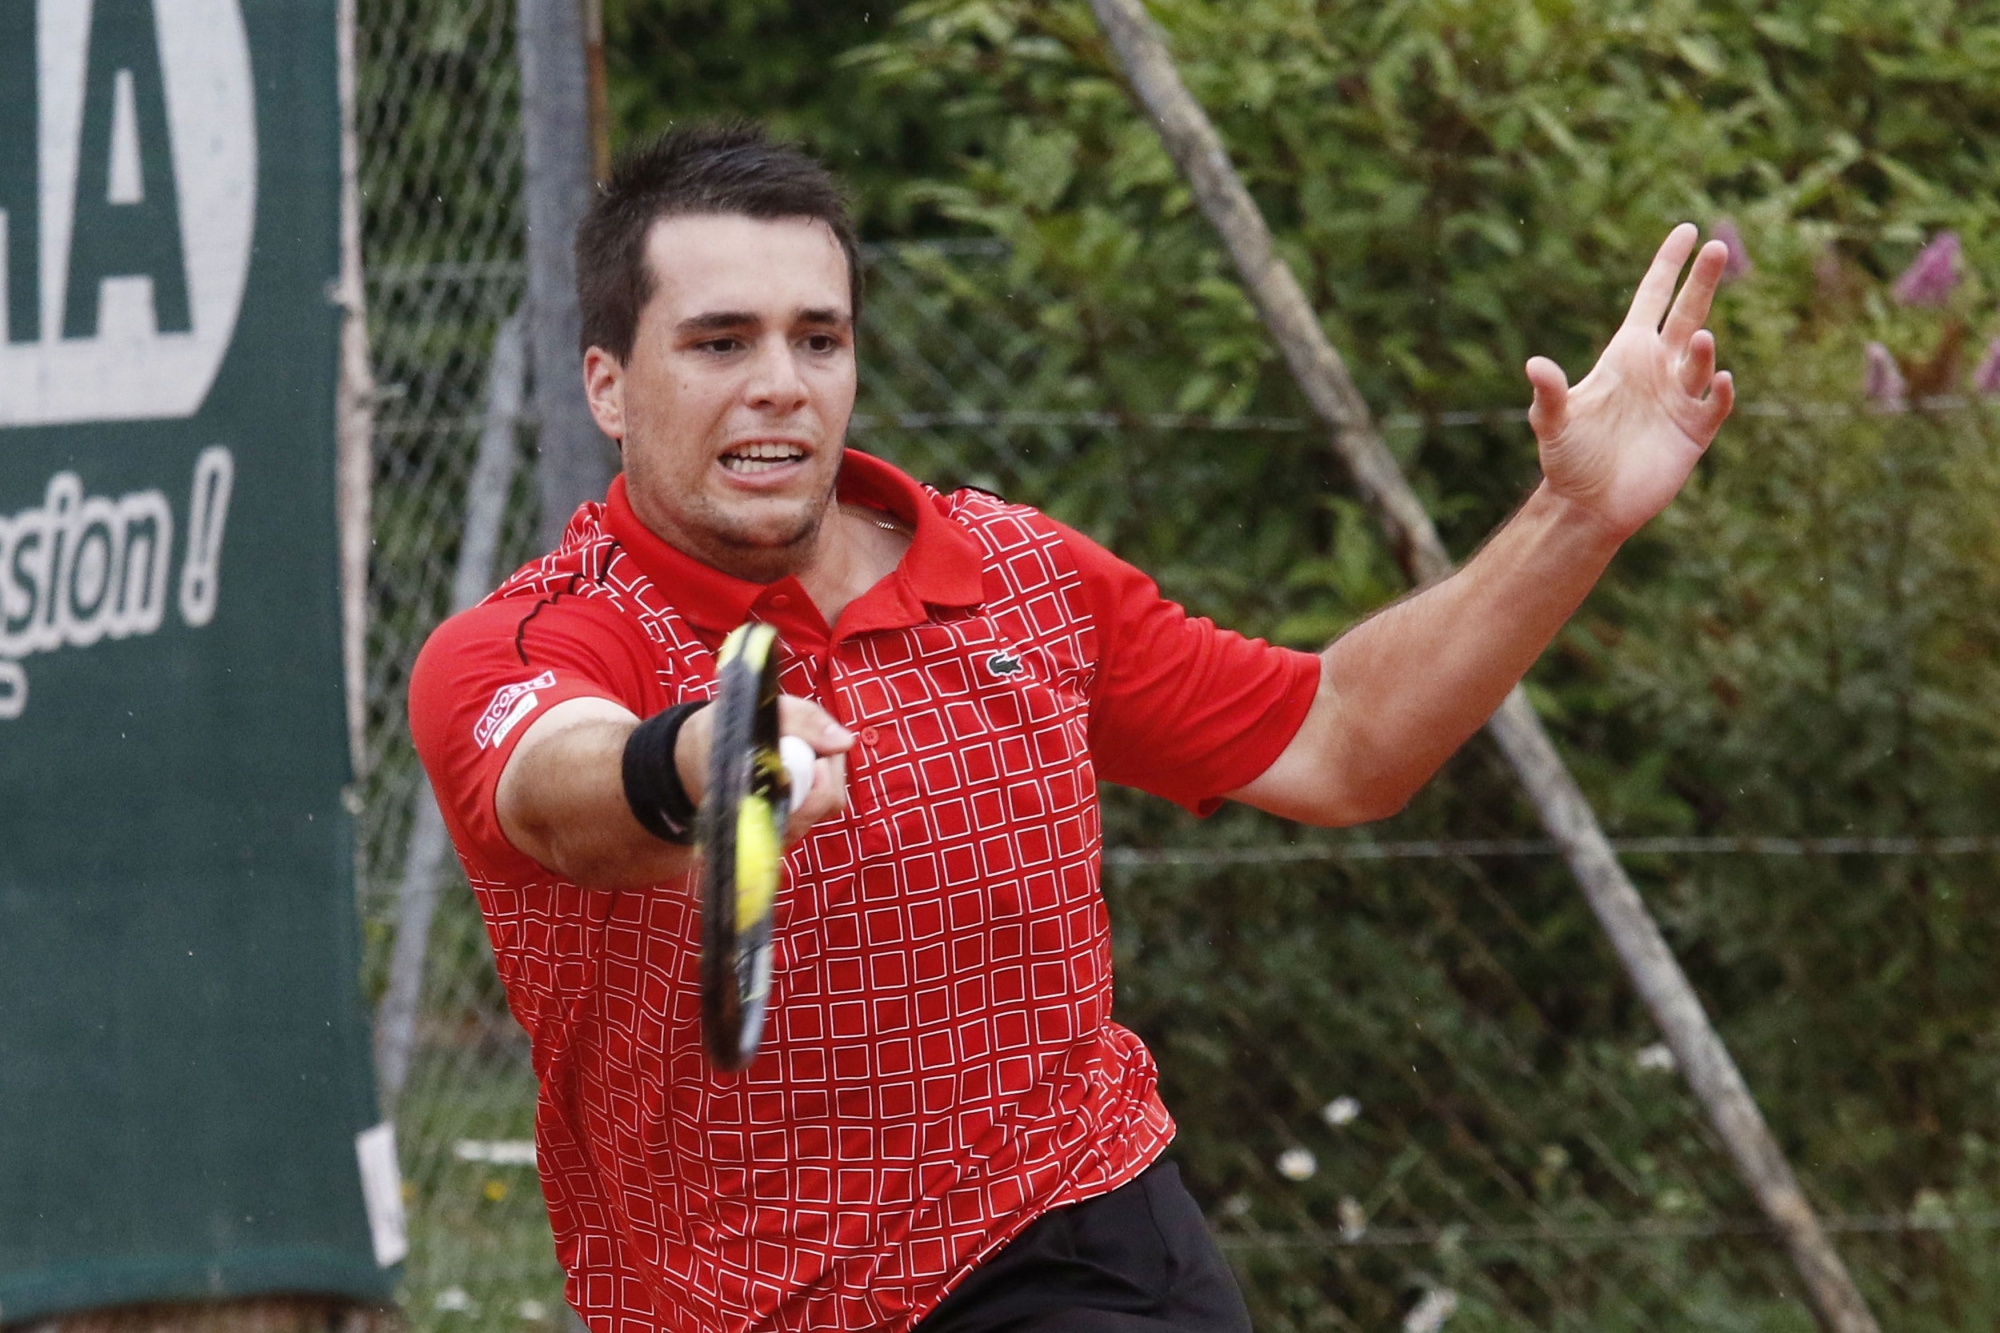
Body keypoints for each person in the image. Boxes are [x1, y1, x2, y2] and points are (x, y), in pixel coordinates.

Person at [408, 123, 1734, 1333]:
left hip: (1079, 1243)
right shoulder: (537, 640)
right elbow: (553, 792)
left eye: (819, 338)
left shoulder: (1020, 576)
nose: (781, 385)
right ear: (607, 385)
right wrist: (697, 758)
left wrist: (1579, 517)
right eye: (718, 342)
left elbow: (1341, 742)